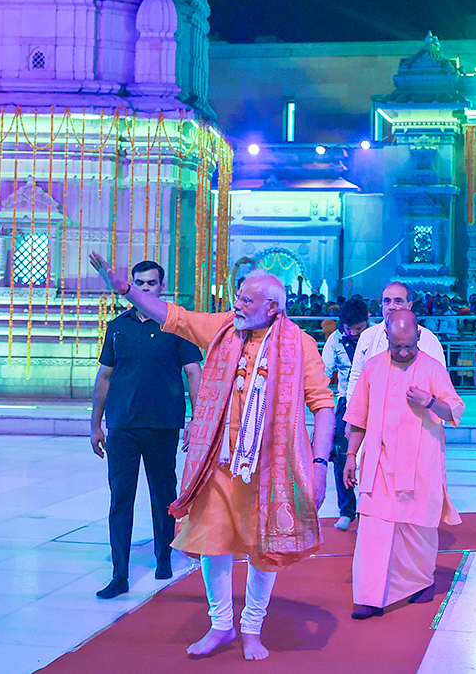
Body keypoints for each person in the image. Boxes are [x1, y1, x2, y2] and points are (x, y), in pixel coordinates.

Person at [90, 251, 335, 661]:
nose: (236, 305)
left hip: (270, 469)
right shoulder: (224, 329)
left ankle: (252, 628)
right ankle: (221, 625)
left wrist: (320, 464)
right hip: (218, 462)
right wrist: (128, 291)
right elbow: (175, 317)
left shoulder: (300, 345)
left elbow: (323, 405)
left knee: (264, 549)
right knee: (213, 542)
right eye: (237, 297)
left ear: (273, 308)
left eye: (246, 301)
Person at [90, 260, 202, 600]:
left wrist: (198, 419)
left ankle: (164, 556)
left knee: (163, 494)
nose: (144, 288)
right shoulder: (117, 327)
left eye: (151, 283)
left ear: (161, 286)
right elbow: (104, 377)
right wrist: (95, 423)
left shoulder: (176, 325)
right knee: (120, 497)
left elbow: (194, 372)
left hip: (162, 423)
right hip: (122, 424)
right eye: (138, 283)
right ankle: (119, 574)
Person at [343, 310, 464, 619]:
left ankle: (422, 581)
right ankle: (370, 597)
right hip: (379, 463)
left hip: (421, 464)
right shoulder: (372, 368)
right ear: (386, 337)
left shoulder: (432, 368)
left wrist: (429, 402)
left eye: (409, 345)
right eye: (397, 346)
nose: (404, 352)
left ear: (418, 337)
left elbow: (453, 411)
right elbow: (358, 418)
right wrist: (350, 457)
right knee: (372, 529)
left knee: (418, 529)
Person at [346, 282, 447, 404]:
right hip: (375, 411)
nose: (391, 306)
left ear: (409, 305)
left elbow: (441, 384)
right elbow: (356, 377)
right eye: (387, 301)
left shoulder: (427, 339)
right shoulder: (368, 336)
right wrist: (351, 413)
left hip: (416, 414)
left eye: (398, 301)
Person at [321, 297, 369, 530]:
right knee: (341, 455)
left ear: (367, 321)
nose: (353, 333)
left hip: (373, 401)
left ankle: (369, 512)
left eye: (358, 329)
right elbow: (324, 371)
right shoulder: (335, 339)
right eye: (348, 328)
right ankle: (347, 510)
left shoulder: (377, 336)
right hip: (345, 402)